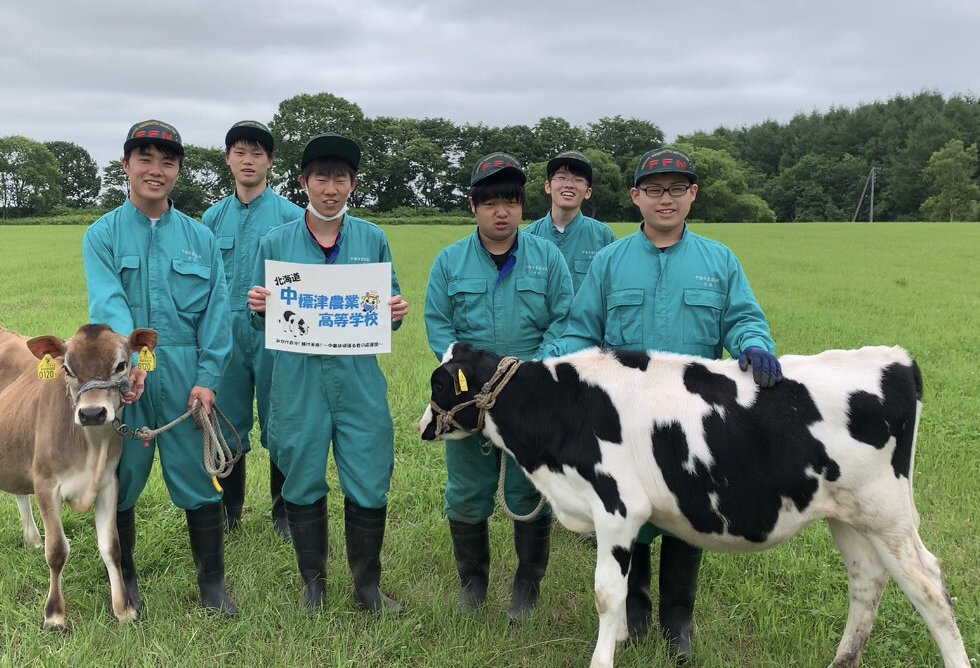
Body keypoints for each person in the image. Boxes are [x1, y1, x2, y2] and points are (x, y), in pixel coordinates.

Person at [547, 146, 782, 659]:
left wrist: (752, 342)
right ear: (636, 197)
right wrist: (543, 369)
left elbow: (741, 317)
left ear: (693, 194)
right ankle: (635, 608)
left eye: (677, 188)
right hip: (625, 419)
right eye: (654, 189)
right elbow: (581, 329)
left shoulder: (718, 260)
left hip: (691, 420)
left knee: (689, 515)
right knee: (631, 513)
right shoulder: (610, 262)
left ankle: (679, 620)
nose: (666, 198)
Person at [246, 132, 408, 615]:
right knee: (301, 476)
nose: (331, 187)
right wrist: (259, 306)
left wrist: (394, 311)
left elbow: (388, 304)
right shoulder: (276, 242)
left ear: (353, 183)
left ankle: (367, 588)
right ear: (304, 182)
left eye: (341, 178)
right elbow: (262, 310)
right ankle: (312, 586)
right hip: (297, 380)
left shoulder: (371, 238)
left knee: (369, 474)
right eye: (321, 177)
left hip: (357, 379)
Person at [82, 120, 237, 616]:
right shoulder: (101, 235)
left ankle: (212, 584)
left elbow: (217, 312)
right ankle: (124, 577)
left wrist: (208, 379)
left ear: (178, 171)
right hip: (122, 377)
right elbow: (107, 301)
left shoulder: (200, 238)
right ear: (126, 165)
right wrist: (130, 362)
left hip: (186, 371)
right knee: (119, 476)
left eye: (167, 161)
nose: (156, 170)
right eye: (144, 159)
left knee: (198, 476)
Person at [423, 152, 573, 621]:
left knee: (531, 490)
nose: (501, 211)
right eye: (491, 202)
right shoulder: (449, 262)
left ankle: (527, 586)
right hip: (469, 399)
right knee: (467, 490)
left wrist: (530, 373)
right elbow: (437, 323)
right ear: (474, 205)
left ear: (522, 207)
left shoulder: (547, 258)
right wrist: (465, 375)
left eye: (510, 201)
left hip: (531, 399)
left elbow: (566, 320)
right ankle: (473, 583)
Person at [201, 120, 305, 538]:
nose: (248, 161)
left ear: (270, 162)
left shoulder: (293, 217)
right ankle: (229, 510)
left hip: (276, 334)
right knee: (226, 422)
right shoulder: (211, 218)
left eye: (257, 153)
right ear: (227, 159)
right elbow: (202, 283)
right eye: (240, 152)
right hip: (224, 336)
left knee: (281, 419)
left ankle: (283, 512)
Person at [523, 150, 616, 293]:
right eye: (561, 177)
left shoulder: (603, 236)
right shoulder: (527, 237)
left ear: (588, 192)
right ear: (548, 186)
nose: (569, 184)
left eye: (578, 179)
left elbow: (613, 288)